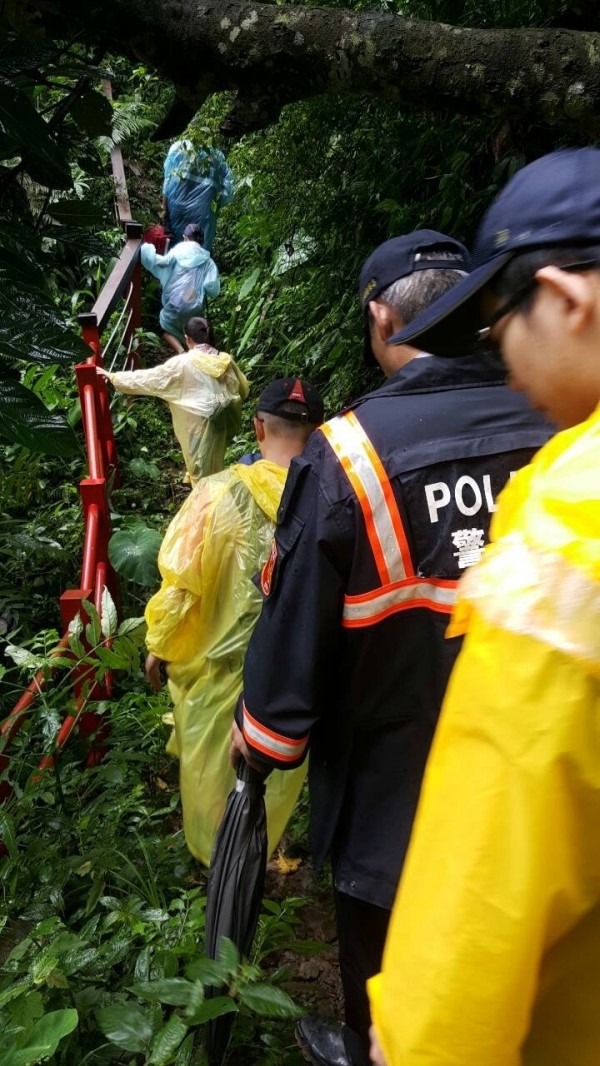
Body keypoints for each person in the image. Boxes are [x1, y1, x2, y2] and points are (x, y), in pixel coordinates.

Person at [230, 231, 553, 1066]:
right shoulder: (564, 422)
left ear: (380, 315)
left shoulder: (350, 457)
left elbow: (291, 647)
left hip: (393, 820)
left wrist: (262, 739)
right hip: (549, 801)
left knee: (395, 1017)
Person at [367, 148, 600, 1066]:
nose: (507, 370)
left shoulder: (570, 520)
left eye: (504, 329)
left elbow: (497, 852)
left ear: (568, 301)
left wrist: (419, 1042)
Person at [145, 378, 324, 865]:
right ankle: (265, 850)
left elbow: (184, 580)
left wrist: (160, 642)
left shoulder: (215, 494)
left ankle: (217, 863)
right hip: (289, 680)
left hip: (218, 670)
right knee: (277, 772)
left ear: (258, 427)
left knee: (211, 768)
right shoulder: (332, 500)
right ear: (317, 432)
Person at [97, 316, 249, 485]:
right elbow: (242, 388)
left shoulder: (183, 363)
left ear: (187, 338)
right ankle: (211, 494)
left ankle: (205, 505)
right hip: (222, 419)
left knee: (200, 470)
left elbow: (150, 379)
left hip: (198, 424)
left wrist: (113, 377)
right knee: (214, 462)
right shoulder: (224, 359)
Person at [140, 222, 220, 353]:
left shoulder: (176, 252)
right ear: (201, 241)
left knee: (165, 327)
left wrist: (145, 250)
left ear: (185, 237)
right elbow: (212, 288)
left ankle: (181, 351)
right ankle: (193, 352)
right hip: (194, 308)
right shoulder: (207, 260)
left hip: (174, 305)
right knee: (193, 328)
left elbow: (160, 263)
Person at [161, 139, 234, 250]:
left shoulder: (178, 147)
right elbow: (229, 191)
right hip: (204, 210)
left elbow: (167, 178)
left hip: (177, 207)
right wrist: (215, 203)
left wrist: (164, 207)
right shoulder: (217, 155)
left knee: (176, 246)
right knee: (199, 248)